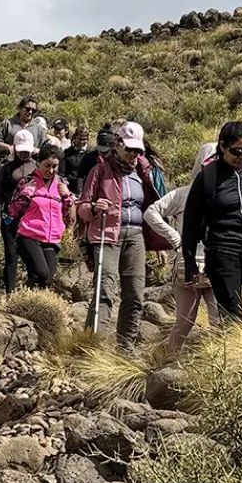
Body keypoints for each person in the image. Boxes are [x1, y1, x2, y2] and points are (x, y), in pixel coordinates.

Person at [78, 121, 171, 350]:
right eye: (129, 148)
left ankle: (125, 348)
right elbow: (82, 207)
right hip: (107, 235)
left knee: (135, 294)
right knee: (105, 291)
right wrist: (93, 207)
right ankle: (92, 347)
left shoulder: (144, 171)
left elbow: (153, 207)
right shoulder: (99, 171)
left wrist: (159, 242)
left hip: (136, 236)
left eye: (137, 150)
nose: (133, 154)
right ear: (117, 144)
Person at [182, 121, 242, 322]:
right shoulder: (207, 178)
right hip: (223, 253)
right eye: (237, 152)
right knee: (232, 317)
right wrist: (190, 264)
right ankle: (238, 352)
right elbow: (191, 224)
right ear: (222, 146)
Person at [144, 143, 221, 354]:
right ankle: (171, 364)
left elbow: (151, 213)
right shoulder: (184, 194)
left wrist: (175, 239)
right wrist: (175, 237)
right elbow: (151, 212)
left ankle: (171, 362)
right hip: (194, 265)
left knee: (193, 322)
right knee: (202, 322)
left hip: (200, 264)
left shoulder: (185, 194)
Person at [6, 143, 75, 288]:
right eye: (47, 165)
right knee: (41, 272)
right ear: (38, 163)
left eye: (55, 166)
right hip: (29, 236)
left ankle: (25, 302)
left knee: (47, 279)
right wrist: (25, 194)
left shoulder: (61, 183)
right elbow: (12, 211)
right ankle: (21, 298)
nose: (51, 170)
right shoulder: (28, 181)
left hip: (52, 238)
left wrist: (67, 197)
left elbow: (68, 213)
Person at [0, 129, 38, 294]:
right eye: (21, 151)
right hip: (9, 218)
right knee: (11, 255)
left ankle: (29, 293)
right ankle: (10, 294)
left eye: (27, 151)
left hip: (31, 219)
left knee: (30, 257)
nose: (24, 155)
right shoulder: (6, 169)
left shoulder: (38, 167)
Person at [61, 126, 91, 196]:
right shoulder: (67, 153)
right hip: (68, 189)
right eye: (79, 139)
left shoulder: (91, 155)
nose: (81, 142)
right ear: (75, 137)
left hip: (85, 189)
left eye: (84, 139)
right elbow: (61, 173)